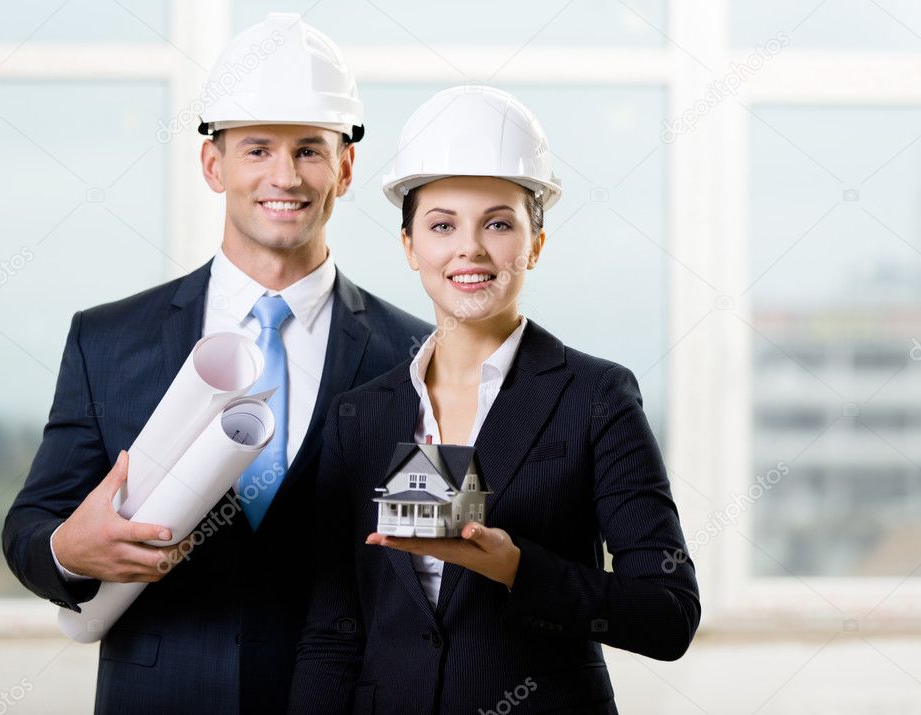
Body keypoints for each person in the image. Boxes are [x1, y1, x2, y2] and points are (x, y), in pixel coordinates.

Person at [1, 13, 429, 714]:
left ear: (345, 168)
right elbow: (31, 526)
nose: (284, 176)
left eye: (310, 150)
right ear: (213, 164)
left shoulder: (419, 356)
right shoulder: (107, 340)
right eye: (257, 148)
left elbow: (431, 563)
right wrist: (70, 551)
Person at [288, 86, 701, 714]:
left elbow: (669, 616)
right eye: (442, 224)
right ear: (409, 247)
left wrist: (515, 568)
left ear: (535, 243)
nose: (470, 249)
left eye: (499, 224)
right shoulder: (361, 416)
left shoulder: (595, 398)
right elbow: (332, 636)